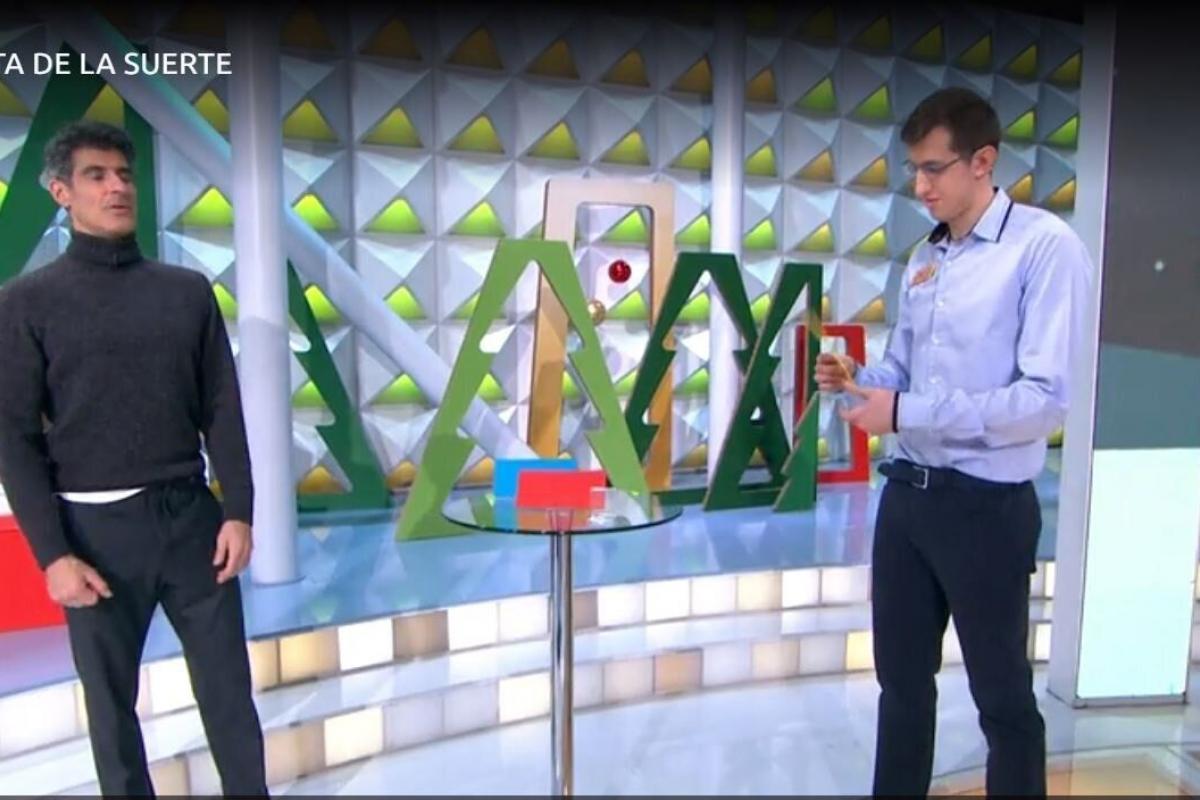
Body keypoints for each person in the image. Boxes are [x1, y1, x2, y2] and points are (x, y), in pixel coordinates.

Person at [816, 87, 1092, 796]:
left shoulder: (1045, 248)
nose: (920, 186)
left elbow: (1042, 402)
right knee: (901, 689)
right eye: (914, 169)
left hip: (985, 508)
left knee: (1002, 701)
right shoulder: (925, 256)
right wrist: (857, 381)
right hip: (907, 501)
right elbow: (903, 371)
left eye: (933, 168)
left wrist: (903, 410)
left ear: (983, 161)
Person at [0, 120, 267, 797]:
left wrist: (238, 510)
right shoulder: (25, 302)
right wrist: (53, 557)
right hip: (94, 535)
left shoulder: (186, 291)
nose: (116, 187)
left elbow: (222, 407)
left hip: (192, 521)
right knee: (111, 708)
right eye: (96, 175)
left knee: (230, 695)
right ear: (62, 191)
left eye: (124, 174)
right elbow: (13, 437)